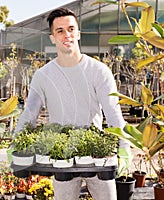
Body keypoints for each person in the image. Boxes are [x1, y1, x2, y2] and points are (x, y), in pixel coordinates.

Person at [14, 8, 132, 200]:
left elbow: (113, 113)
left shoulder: (98, 71)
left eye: (70, 29)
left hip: (96, 155)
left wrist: (124, 148)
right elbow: (29, 114)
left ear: (78, 33)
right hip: (61, 156)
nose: (66, 34)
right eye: (59, 31)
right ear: (52, 37)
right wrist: (15, 143)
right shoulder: (43, 76)